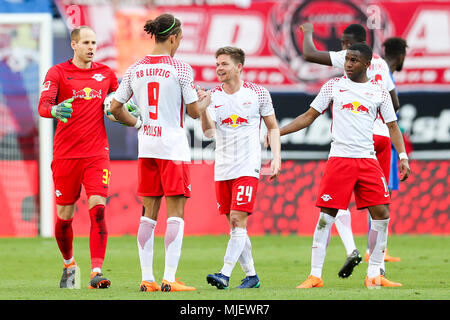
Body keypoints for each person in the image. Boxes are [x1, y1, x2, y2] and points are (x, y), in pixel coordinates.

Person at [280, 43, 410, 288]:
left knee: (382, 215)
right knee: (325, 217)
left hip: (368, 160)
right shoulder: (333, 86)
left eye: (354, 60)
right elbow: (309, 116)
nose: (348, 64)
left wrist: (402, 157)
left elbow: (393, 126)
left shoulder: (379, 91)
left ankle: (374, 274)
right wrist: (278, 132)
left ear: (367, 65)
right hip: (339, 159)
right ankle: (315, 275)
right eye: (347, 59)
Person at [110, 13, 209, 292]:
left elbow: (114, 109)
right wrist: (204, 101)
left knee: (148, 214)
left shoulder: (134, 68)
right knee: (176, 213)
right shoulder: (180, 68)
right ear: (174, 37)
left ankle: (147, 279)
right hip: (173, 148)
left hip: (147, 148)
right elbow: (192, 112)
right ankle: (169, 278)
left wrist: (139, 123)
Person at [38, 26, 136, 289]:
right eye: (86, 42)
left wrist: (127, 108)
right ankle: (69, 264)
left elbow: (118, 102)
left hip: (96, 153)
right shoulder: (57, 73)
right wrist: (55, 109)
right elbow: (43, 106)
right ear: (73, 45)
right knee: (64, 216)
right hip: (66, 155)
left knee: (98, 209)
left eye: (94, 42)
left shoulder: (105, 74)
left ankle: (96, 272)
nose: (91, 47)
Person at [301, 23, 401, 277]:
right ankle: (375, 268)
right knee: (373, 208)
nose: (344, 55)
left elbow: (310, 54)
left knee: (362, 208)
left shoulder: (349, 68)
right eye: (345, 52)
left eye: (347, 46)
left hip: (364, 146)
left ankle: (361, 259)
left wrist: (309, 32)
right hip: (374, 140)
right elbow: (395, 105)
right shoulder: (380, 67)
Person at [199, 46, 281, 290]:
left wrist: (276, 157)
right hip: (223, 168)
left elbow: (273, 127)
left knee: (237, 220)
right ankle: (251, 276)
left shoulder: (258, 93)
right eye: (217, 64)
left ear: (239, 67)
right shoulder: (213, 96)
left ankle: (224, 274)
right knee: (236, 226)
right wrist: (203, 110)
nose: (219, 69)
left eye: (224, 64)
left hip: (248, 166)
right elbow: (208, 133)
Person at [363, 37, 408, 263]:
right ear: (401, 55)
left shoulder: (376, 68)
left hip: (371, 137)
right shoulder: (384, 71)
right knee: (380, 195)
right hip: (382, 138)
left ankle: (377, 248)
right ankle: (375, 250)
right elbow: (394, 104)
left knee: (378, 196)